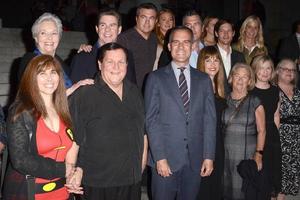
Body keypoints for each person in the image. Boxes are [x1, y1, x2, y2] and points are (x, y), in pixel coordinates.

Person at [145, 26, 216, 200]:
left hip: (195, 159)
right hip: (165, 160)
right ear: (169, 47)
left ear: (193, 46)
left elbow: (209, 120)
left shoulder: (204, 80)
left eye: (186, 42)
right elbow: (151, 120)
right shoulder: (155, 78)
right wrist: (159, 157)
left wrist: (209, 156)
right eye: (175, 42)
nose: (181, 47)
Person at [69, 42, 147, 200]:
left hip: (131, 181)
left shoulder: (135, 93)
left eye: (121, 62)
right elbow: (73, 140)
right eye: (110, 62)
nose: (116, 67)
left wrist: (140, 168)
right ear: (100, 64)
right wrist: (71, 170)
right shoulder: (84, 94)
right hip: (96, 183)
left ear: (127, 64)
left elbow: (143, 134)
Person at [3, 55, 81, 200]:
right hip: (30, 192)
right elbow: (20, 159)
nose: (49, 78)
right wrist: (63, 169)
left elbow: (76, 142)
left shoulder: (66, 108)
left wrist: (74, 172)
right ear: (31, 78)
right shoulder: (21, 111)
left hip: (63, 192)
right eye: (42, 73)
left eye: (53, 72)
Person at [18, 12, 93, 96]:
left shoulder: (58, 61)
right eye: (43, 33)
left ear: (59, 37)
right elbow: (37, 97)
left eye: (54, 33)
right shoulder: (29, 60)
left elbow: (74, 75)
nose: (49, 37)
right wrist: (72, 89)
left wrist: (81, 56)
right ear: (36, 37)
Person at [223, 63, 266, 200]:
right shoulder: (223, 99)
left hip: (246, 154)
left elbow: (262, 130)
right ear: (231, 78)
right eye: (237, 76)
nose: (240, 80)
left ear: (250, 81)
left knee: (243, 191)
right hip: (225, 154)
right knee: (226, 189)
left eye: (245, 77)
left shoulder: (255, 101)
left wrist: (259, 154)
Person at [197, 46, 227, 200]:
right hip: (203, 144)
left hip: (219, 143)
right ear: (201, 63)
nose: (213, 64)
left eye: (216, 60)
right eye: (208, 60)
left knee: (215, 186)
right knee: (203, 187)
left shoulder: (222, 88)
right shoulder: (197, 86)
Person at [251, 55, 282, 199]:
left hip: (272, 134)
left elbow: (276, 115)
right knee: (258, 172)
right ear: (255, 70)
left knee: (272, 171)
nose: (265, 72)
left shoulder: (276, 90)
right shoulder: (249, 91)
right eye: (261, 68)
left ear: (272, 71)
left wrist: (276, 135)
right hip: (255, 134)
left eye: (268, 68)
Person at [70, 9, 122, 83]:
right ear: (97, 29)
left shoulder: (127, 56)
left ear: (119, 29)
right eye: (103, 25)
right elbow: (76, 92)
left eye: (112, 25)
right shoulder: (81, 59)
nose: (107, 29)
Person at [274, 59, 300, 200]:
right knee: (278, 180)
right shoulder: (272, 90)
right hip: (280, 138)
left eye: (293, 70)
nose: (290, 72)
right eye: (286, 69)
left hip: (296, 141)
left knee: (289, 180)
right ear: (277, 70)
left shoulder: (298, 91)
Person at [117, 2, 158, 89]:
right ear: (136, 19)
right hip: (129, 91)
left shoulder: (154, 38)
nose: (147, 22)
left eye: (151, 18)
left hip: (147, 90)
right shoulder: (124, 39)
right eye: (143, 17)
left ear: (156, 21)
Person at [214, 19, 246, 94]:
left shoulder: (239, 56)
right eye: (222, 31)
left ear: (233, 33)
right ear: (216, 33)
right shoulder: (209, 53)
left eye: (229, 31)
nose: (226, 34)